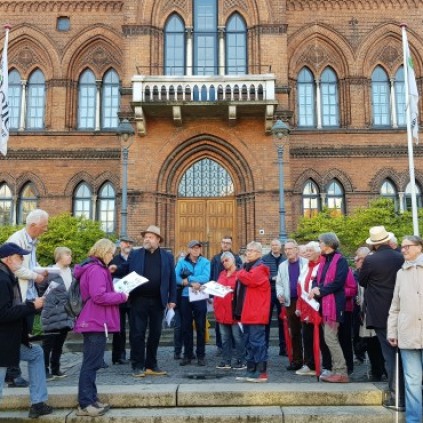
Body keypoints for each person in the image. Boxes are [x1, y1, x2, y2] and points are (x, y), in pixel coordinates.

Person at [110, 226, 176, 377]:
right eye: (145, 236)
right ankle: (137, 365)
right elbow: (125, 268)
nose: (146, 239)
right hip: (139, 300)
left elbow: (171, 278)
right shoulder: (136, 254)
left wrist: (172, 299)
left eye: (150, 237)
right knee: (137, 333)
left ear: (158, 240)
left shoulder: (167, 256)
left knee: (155, 333)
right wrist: (116, 268)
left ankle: (151, 365)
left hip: (158, 300)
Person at [74, 239, 128, 417]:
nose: (112, 257)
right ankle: (85, 404)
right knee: (91, 363)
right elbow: (98, 296)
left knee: (93, 362)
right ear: (103, 251)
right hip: (95, 321)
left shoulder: (92, 267)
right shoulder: (97, 270)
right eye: (111, 253)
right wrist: (121, 296)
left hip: (94, 320)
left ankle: (91, 399)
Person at [0, 242, 53, 418]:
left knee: (36, 353)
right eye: (19, 257)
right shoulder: (2, 279)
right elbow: (3, 313)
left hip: (8, 339)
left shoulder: (7, 276)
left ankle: (38, 403)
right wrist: (31, 306)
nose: (23, 260)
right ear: (8, 259)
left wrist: (32, 308)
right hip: (3, 342)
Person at [359, 225, 405, 410]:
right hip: (402, 311)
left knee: (389, 355)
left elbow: (362, 281)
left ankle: (397, 397)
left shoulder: (371, 260)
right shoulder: (400, 257)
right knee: (405, 355)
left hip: (380, 312)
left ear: (374, 244)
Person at [6, 208, 49, 388]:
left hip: (28, 295)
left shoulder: (32, 241)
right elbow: (15, 267)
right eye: (43, 226)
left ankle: (11, 372)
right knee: (16, 336)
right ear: (33, 225)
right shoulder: (17, 240)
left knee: (23, 335)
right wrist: (35, 276)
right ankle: (13, 374)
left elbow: (31, 265)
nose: (45, 230)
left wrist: (43, 270)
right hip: (19, 296)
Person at [387, 235, 423, 423]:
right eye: (402, 247)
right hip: (408, 333)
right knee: (412, 382)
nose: (403, 250)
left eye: (407, 247)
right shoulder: (401, 272)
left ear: (419, 247)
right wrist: (392, 331)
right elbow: (395, 305)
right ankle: (414, 420)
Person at [309, 232, 349, 383]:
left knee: (331, 339)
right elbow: (317, 278)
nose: (319, 245)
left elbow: (338, 282)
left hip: (334, 304)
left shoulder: (341, 260)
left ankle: (342, 372)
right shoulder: (324, 261)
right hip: (324, 304)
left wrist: (321, 290)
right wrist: (314, 288)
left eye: (320, 242)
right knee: (329, 339)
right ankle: (335, 369)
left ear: (327, 244)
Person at [233, 241, 270, 382]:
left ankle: (261, 373)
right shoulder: (248, 268)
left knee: (257, 342)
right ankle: (251, 371)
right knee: (248, 342)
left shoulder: (260, 268)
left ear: (259, 253)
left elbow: (249, 280)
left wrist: (239, 271)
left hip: (256, 313)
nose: (248, 252)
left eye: (252, 250)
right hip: (247, 312)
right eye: (247, 250)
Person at [295, 241, 331, 377]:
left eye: (310, 250)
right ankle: (310, 364)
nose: (307, 253)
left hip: (319, 308)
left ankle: (327, 366)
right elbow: (300, 289)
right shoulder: (305, 266)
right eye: (307, 250)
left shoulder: (323, 265)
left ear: (318, 252)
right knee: (307, 337)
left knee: (323, 339)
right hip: (305, 309)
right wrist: (299, 306)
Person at [40, 247, 74, 380]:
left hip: (66, 313)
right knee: (48, 344)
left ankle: (55, 368)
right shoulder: (50, 272)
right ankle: (43, 370)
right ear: (59, 256)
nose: (70, 257)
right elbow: (41, 289)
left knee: (59, 343)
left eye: (70, 255)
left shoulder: (72, 272)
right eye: (67, 254)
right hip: (52, 313)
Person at [175, 240, 210, 366]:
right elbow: (176, 277)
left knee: (201, 327)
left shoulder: (206, 262)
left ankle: (201, 355)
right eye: (193, 248)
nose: (196, 250)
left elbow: (206, 277)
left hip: (200, 296)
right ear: (189, 249)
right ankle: (187, 355)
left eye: (198, 248)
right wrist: (190, 283)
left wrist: (189, 279)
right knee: (186, 327)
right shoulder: (181, 262)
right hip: (185, 297)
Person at [354, 247, 386, 381]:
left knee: (378, 344)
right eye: (356, 258)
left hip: (375, 313)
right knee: (370, 344)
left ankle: (382, 371)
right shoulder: (358, 273)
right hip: (364, 314)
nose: (357, 261)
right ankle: (376, 370)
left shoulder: (374, 272)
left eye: (360, 258)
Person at [276, 239, 308, 371]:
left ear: (296, 249)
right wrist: (280, 294)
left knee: (307, 332)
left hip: (305, 302)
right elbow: (279, 283)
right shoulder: (282, 266)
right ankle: (297, 360)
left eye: (290, 248)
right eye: (286, 249)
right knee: (294, 332)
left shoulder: (306, 263)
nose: (287, 251)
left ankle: (309, 361)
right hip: (290, 302)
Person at [210, 236, 242, 356]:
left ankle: (235, 350)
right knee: (220, 325)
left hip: (233, 301)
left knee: (235, 330)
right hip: (219, 297)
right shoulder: (215, 258)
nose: (225, 245)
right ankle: (220, 346)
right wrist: (210, 293)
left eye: (228, 243)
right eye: (223, 242)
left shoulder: (237, 258)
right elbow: (212, 276)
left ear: (231, 244)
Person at [214, 252, 246, 370]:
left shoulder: (240, 274)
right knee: (225, 338)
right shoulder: (222, 273)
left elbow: (242, 291)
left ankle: (241, 360)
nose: (224, 263)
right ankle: (226, 361)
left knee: (237, 337)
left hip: (234, 311)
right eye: (223, 261)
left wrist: (231, 290)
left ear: (233, 260)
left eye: (226, 260)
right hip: (222, 311)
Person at [109, 236, 135, 365]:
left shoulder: (134, 259)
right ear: (120, 245)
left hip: (132, 297)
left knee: (135, 327)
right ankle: (118, 355)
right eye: (125, 243)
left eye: (130, 243)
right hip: (117, 298)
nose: (128, 245)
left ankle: (134, 354)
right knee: (118, 328)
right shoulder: (113, 259)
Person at [262, 239, 286, 355]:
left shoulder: (285, 259)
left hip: (282, 293)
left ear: (280, 246)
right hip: (270, 292)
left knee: (283, 320)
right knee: (266, 320)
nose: (274, 247)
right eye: (272, 245)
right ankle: (264, 347)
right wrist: (272, 278)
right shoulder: (264, 259)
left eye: (276, 245)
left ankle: (283, 348)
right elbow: (261, 276)